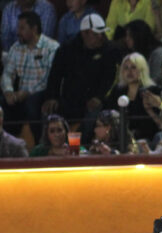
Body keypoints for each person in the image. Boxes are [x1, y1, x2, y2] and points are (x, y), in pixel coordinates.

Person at [44, 13, 122, 141]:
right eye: (96, 34)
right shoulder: (67, 49)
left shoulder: (110, 50)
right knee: (47, 108)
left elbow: (111, 78)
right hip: (70, 98)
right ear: (84, 34)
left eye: (102, 33)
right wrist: (52, 97)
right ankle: (46, 146)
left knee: (95, 113)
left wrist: (99, 97)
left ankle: (80, 144)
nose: (101, 37)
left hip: (97, 99)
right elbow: (55, 75)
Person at [1, 10, 60, 141]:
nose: (17, 32)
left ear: (34, 29)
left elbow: (50, 78)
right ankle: (6, 146)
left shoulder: (51, 47)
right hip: (18, 94)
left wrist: (27, 92)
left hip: (41, 92)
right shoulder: (16, 47)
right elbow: (7, 73)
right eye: (18, 27)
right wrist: (8, 91)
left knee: (32, 104)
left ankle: (41, 145)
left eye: (22, 28)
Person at [104, 52, 161, 142]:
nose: (129, 71)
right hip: (120, 137)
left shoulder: (153, 90)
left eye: (133, 67)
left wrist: (160, 104)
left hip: (145, 137)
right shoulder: (118, 90)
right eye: (126, 68)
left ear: (142, 70)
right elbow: (108, 112)